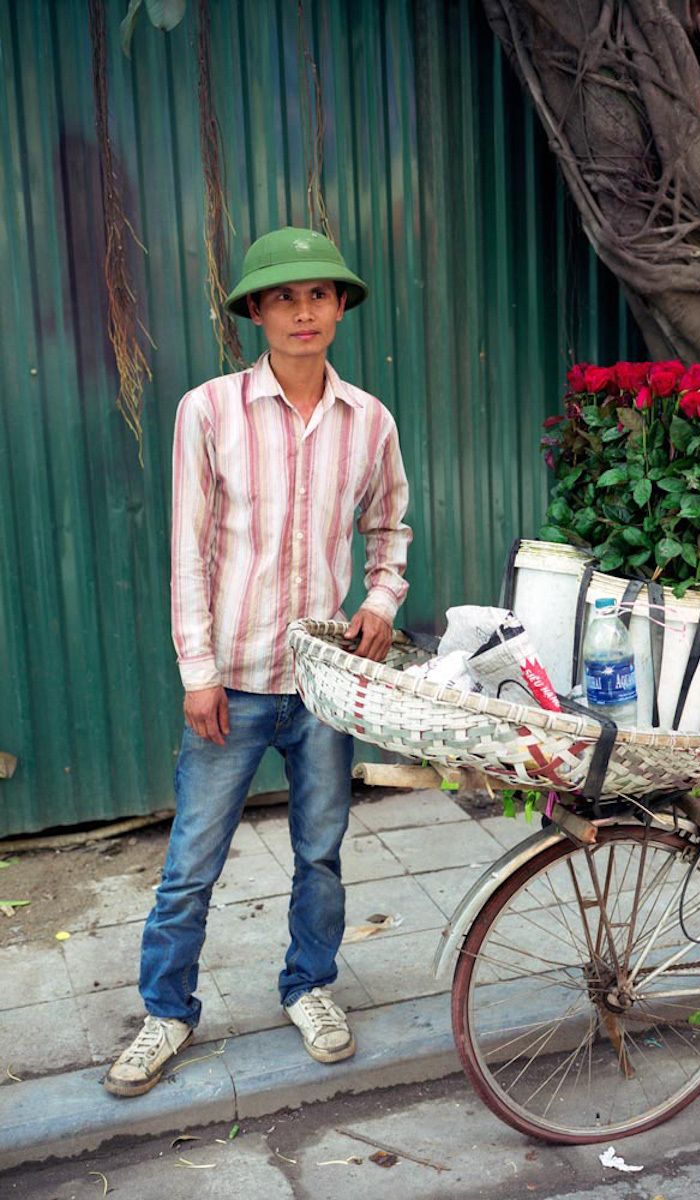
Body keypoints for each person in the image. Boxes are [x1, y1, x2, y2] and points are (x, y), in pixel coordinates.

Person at [104, 227, 411, 1097]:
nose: (302, 311)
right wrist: (197, 670)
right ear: (255, 312)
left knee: (321, 851)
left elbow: (391, 527)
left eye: (318, 294)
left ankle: (309, 987)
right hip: (233, 683)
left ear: (341, 306)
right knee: (191, 862)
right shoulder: (207, 412)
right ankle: (166, 1011)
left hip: (322, 683)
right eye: (282, 297)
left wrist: (381, 602)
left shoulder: (369, 422)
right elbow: (188, 552)